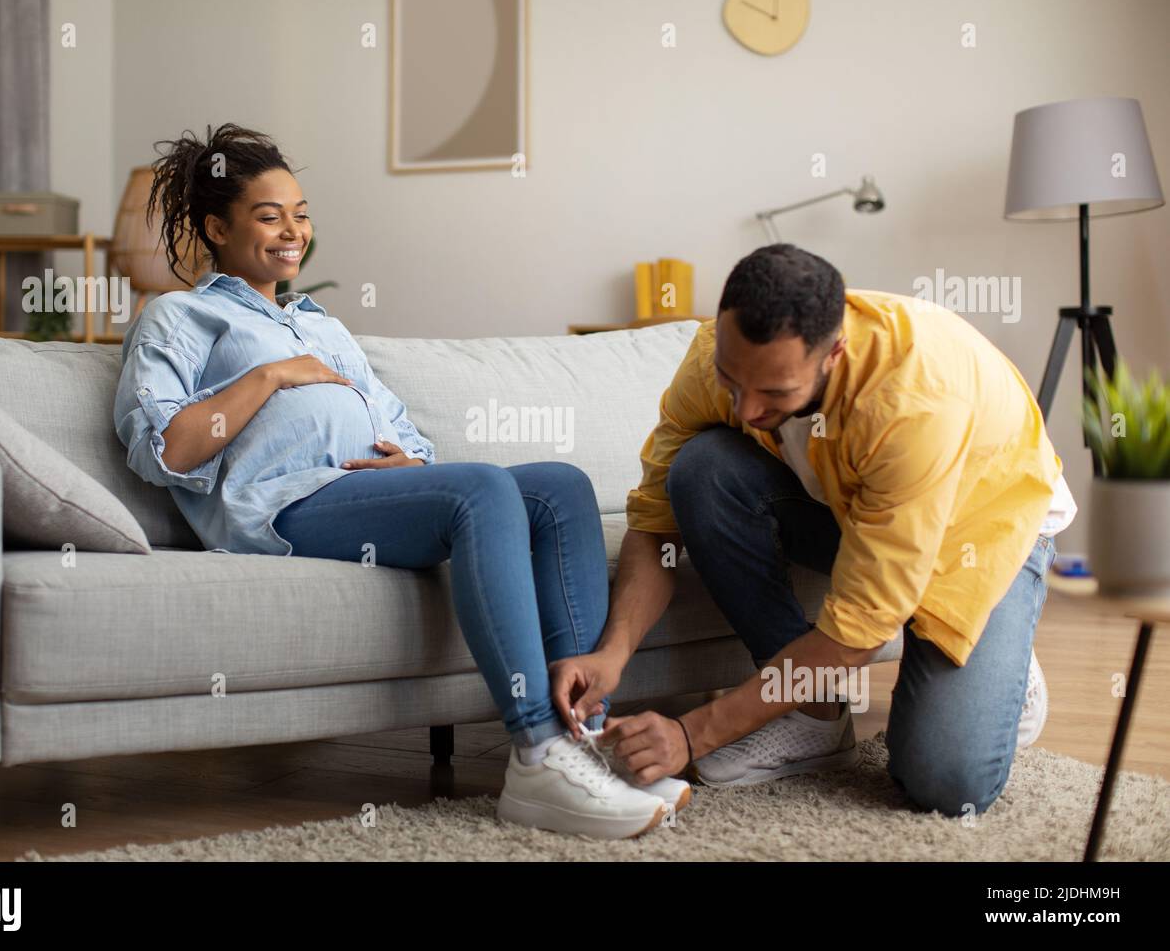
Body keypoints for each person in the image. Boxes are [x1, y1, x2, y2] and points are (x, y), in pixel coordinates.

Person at [112, 123, 687, 839]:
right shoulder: (180, 316)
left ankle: (584, 737)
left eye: (300, 215)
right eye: (269, 216)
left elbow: (403, 429)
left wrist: (412, 464)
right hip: (283, 507)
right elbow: (166, 448)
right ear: (216, 228)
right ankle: (538, 754)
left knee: (560, 487)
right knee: (482, 489)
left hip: (364, 496)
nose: (293, 233)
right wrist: (271, 376)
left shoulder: (324, 329)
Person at [553, 243, 1070, 817]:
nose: (746, 410)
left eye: (775, 393)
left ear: (834, 354)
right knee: (701, 469)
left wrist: (692, 734)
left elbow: (859, 630)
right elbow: (655, 523)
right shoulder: (714, 359)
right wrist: (613, 654)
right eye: (732, 382)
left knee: (945, 782)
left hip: (980, 530)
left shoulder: (911, 403)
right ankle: (813, 716)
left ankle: (1005, 661)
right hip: (858, 512)